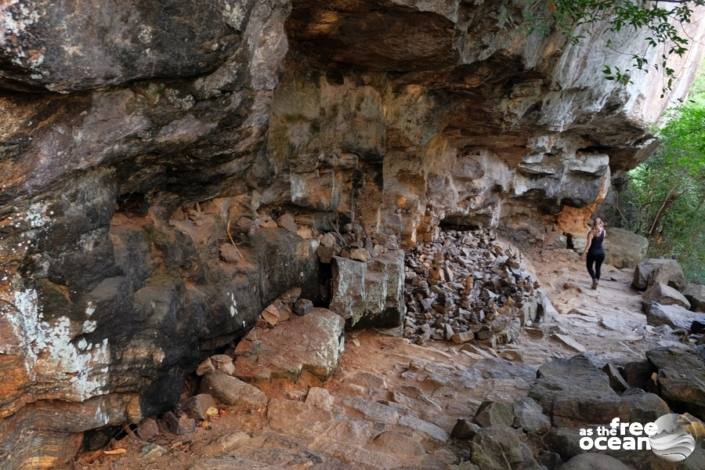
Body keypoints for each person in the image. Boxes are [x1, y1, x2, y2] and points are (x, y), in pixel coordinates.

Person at [582, 217, 606, 289]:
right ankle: (596, 282)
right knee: (598, 268)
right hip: (601, 253)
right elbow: (601, 240)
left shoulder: (591, 232)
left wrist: (583, 253)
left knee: (589, 267)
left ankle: (594, 279)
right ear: (601, 223)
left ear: (593, 223)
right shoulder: (604, 232)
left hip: (592, 253)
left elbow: (589, 244)